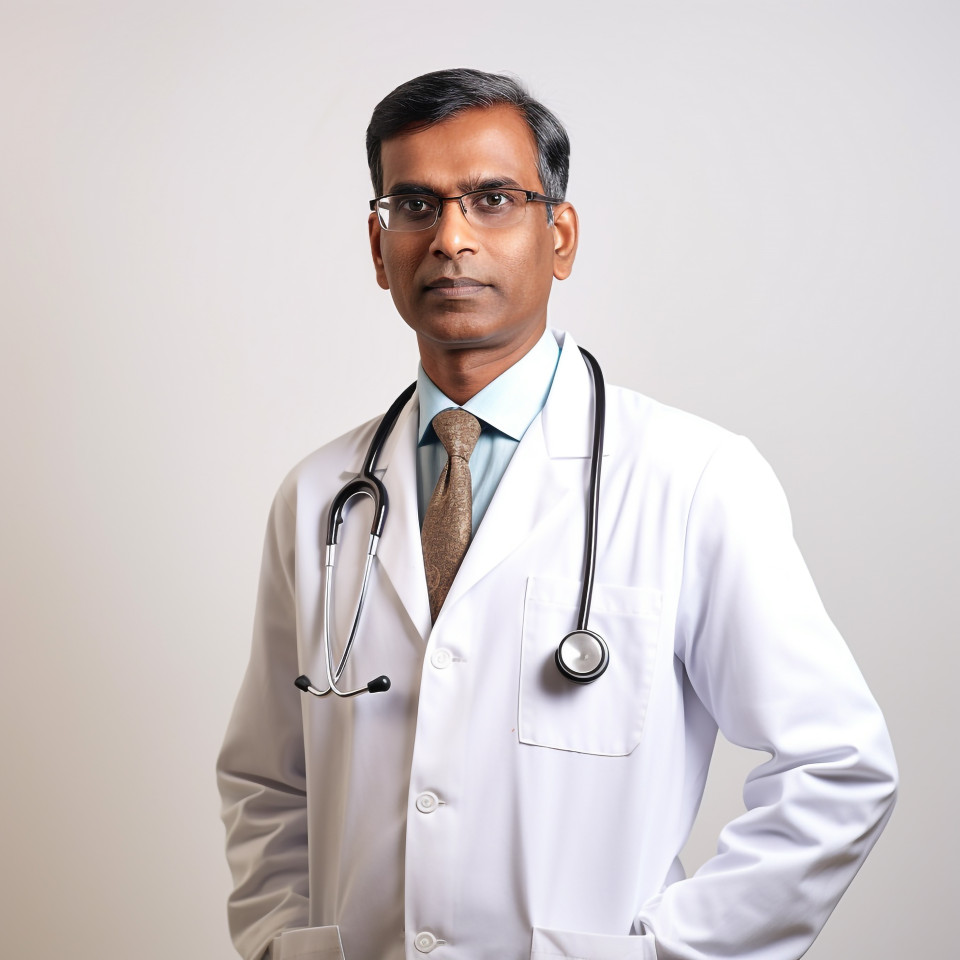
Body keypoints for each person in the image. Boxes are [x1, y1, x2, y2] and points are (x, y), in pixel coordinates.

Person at [217, 68, 897, 960]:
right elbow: (268, 780)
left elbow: (837, 768)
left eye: (493, 199)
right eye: (415, 204)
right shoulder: (319, 497)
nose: (450, 238)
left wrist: (666, 955)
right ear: (378, 246)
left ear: (560, 236)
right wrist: (281, 944)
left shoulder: (692, 476)